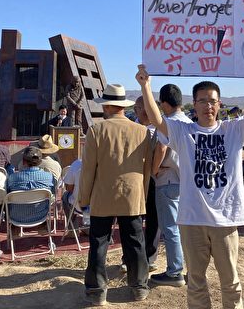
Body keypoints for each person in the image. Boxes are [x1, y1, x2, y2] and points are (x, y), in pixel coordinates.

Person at [136, 63, 244, 309]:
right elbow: (157, 120)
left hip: (225, 220)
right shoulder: (184, 132)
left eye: (212, 101)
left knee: (230, 281)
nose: (207, 106)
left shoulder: (233, 130)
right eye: (202, 101)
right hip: (192, 220)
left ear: (219, 104)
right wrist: (145, 86)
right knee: (196, 281)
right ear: (194, 104)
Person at [79, 84, 153, 305]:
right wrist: (143, 195)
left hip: (103, 195)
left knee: (99, 243)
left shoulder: (96, 130)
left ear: (107, 106)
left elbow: (88, 169)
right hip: (133, 195)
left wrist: (84, 198)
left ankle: (96, 291)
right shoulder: (142, 131)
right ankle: (139, 287)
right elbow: (147, 169)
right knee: (135, 243)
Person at [149, 83, 191, 288]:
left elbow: (161, 147)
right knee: (185, 229)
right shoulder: (190, 122)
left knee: (171, 228)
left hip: (168, 179)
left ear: (164, 103)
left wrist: (154, 170)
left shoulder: (168, 123)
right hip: (186, 182)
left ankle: (174, 271)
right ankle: (191, 268)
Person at [132, 96, 160, 273]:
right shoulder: (129, 128)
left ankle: (150, 257)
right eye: (145, 109)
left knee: (154, 219)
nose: (148, 113)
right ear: (136, 110)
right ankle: (130, 257)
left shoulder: (160, 128)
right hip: (133, 179)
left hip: (154, 180)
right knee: (132, 220)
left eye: (151, 109)